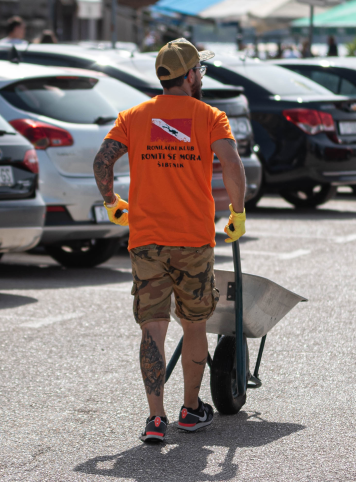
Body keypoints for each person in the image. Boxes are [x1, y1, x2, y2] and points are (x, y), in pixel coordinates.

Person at [92, 38, 247, 444]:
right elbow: (231, 163)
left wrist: (112, 202)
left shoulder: (134, 116)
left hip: (146, 240)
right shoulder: (211, 116)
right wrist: (237, 212)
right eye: (201, 71)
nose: (202, 77)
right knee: (194, 325)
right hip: (193, 240)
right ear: (191, 75)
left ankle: (156, 420)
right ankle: (191, 410)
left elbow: (102, 160)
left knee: (152, 329)